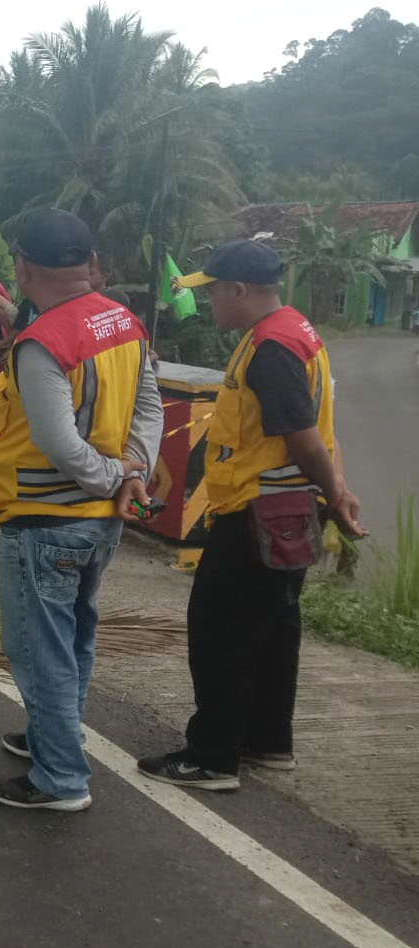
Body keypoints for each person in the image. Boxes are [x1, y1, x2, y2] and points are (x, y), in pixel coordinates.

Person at [138, 240, 366, 791]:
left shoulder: (271, 349)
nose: (209, 302)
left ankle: (211, 757)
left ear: (240, 290)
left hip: (258, 512)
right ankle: (267, 741)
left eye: (213, 292)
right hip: (288, 511)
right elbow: (315, 429)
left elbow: (304, 436)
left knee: (222, 630)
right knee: (273, 627)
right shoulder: (295, 331)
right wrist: (334, 490)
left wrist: (336, 494)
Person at [0, 209, 163, 811]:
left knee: (40, 649)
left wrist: (117, 474)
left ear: (24, 267)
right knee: (76, 634)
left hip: (45, 518)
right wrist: (132, 471)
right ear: (87, 263)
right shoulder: (123, 322)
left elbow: (59, 443)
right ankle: (51, 738)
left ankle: (60, 779)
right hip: (100, 519)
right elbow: (150, 408)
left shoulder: (43, 342)